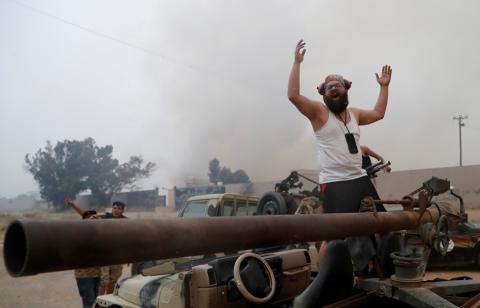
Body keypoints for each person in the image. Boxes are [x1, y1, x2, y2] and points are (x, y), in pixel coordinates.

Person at [287, 39, 392, 273]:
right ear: (323, 93)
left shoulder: (354, 114)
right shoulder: (319, 113)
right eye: (329, 86)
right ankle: (324, 280)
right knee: (333, 237)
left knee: (383, 226)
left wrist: (384, 87)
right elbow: (293, 96)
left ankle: (380, 273)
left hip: (359, 179)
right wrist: (297, 62)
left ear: (346, 90)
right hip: (335, 183)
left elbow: (378, 113)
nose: (334, 87)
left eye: (338, 85)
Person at [66, 198, 127, 295]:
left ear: (123, 210)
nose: (116, 210)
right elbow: (85, 214)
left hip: (117, 257)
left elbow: (128, 240)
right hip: (105, 256)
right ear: (112, 209)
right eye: (114, 208)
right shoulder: (106, 216)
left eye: (119, 208)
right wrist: (73, 205)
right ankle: (99, 302)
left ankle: (108, 301)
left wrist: (128, 256)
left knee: (113, 281)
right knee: (103, 282)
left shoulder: (126, 222)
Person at [65, 198, 101, 308]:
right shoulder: (78, 234)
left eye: (94, 218)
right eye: (88, 219)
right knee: (89, 301)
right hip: (84, 275)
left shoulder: (99, 234)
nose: (91, 220)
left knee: (96, 301)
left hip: (97, 273)